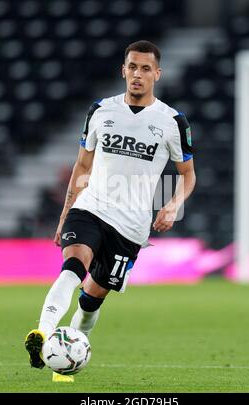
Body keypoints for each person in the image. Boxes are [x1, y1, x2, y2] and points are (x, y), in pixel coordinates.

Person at [25, 40, 196, 382]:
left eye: (145, 68)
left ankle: (67, 358)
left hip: (130, 227)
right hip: (91, 207)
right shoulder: (101, 110)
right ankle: (43, 334)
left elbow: (188, 174)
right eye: (132, 66)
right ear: (123, 70)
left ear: (157, 74)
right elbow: (82, 164)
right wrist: (65, 214)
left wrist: (172, 205)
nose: (137, 74)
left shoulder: (171, 121)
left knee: (92, 299)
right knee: (73, 266)